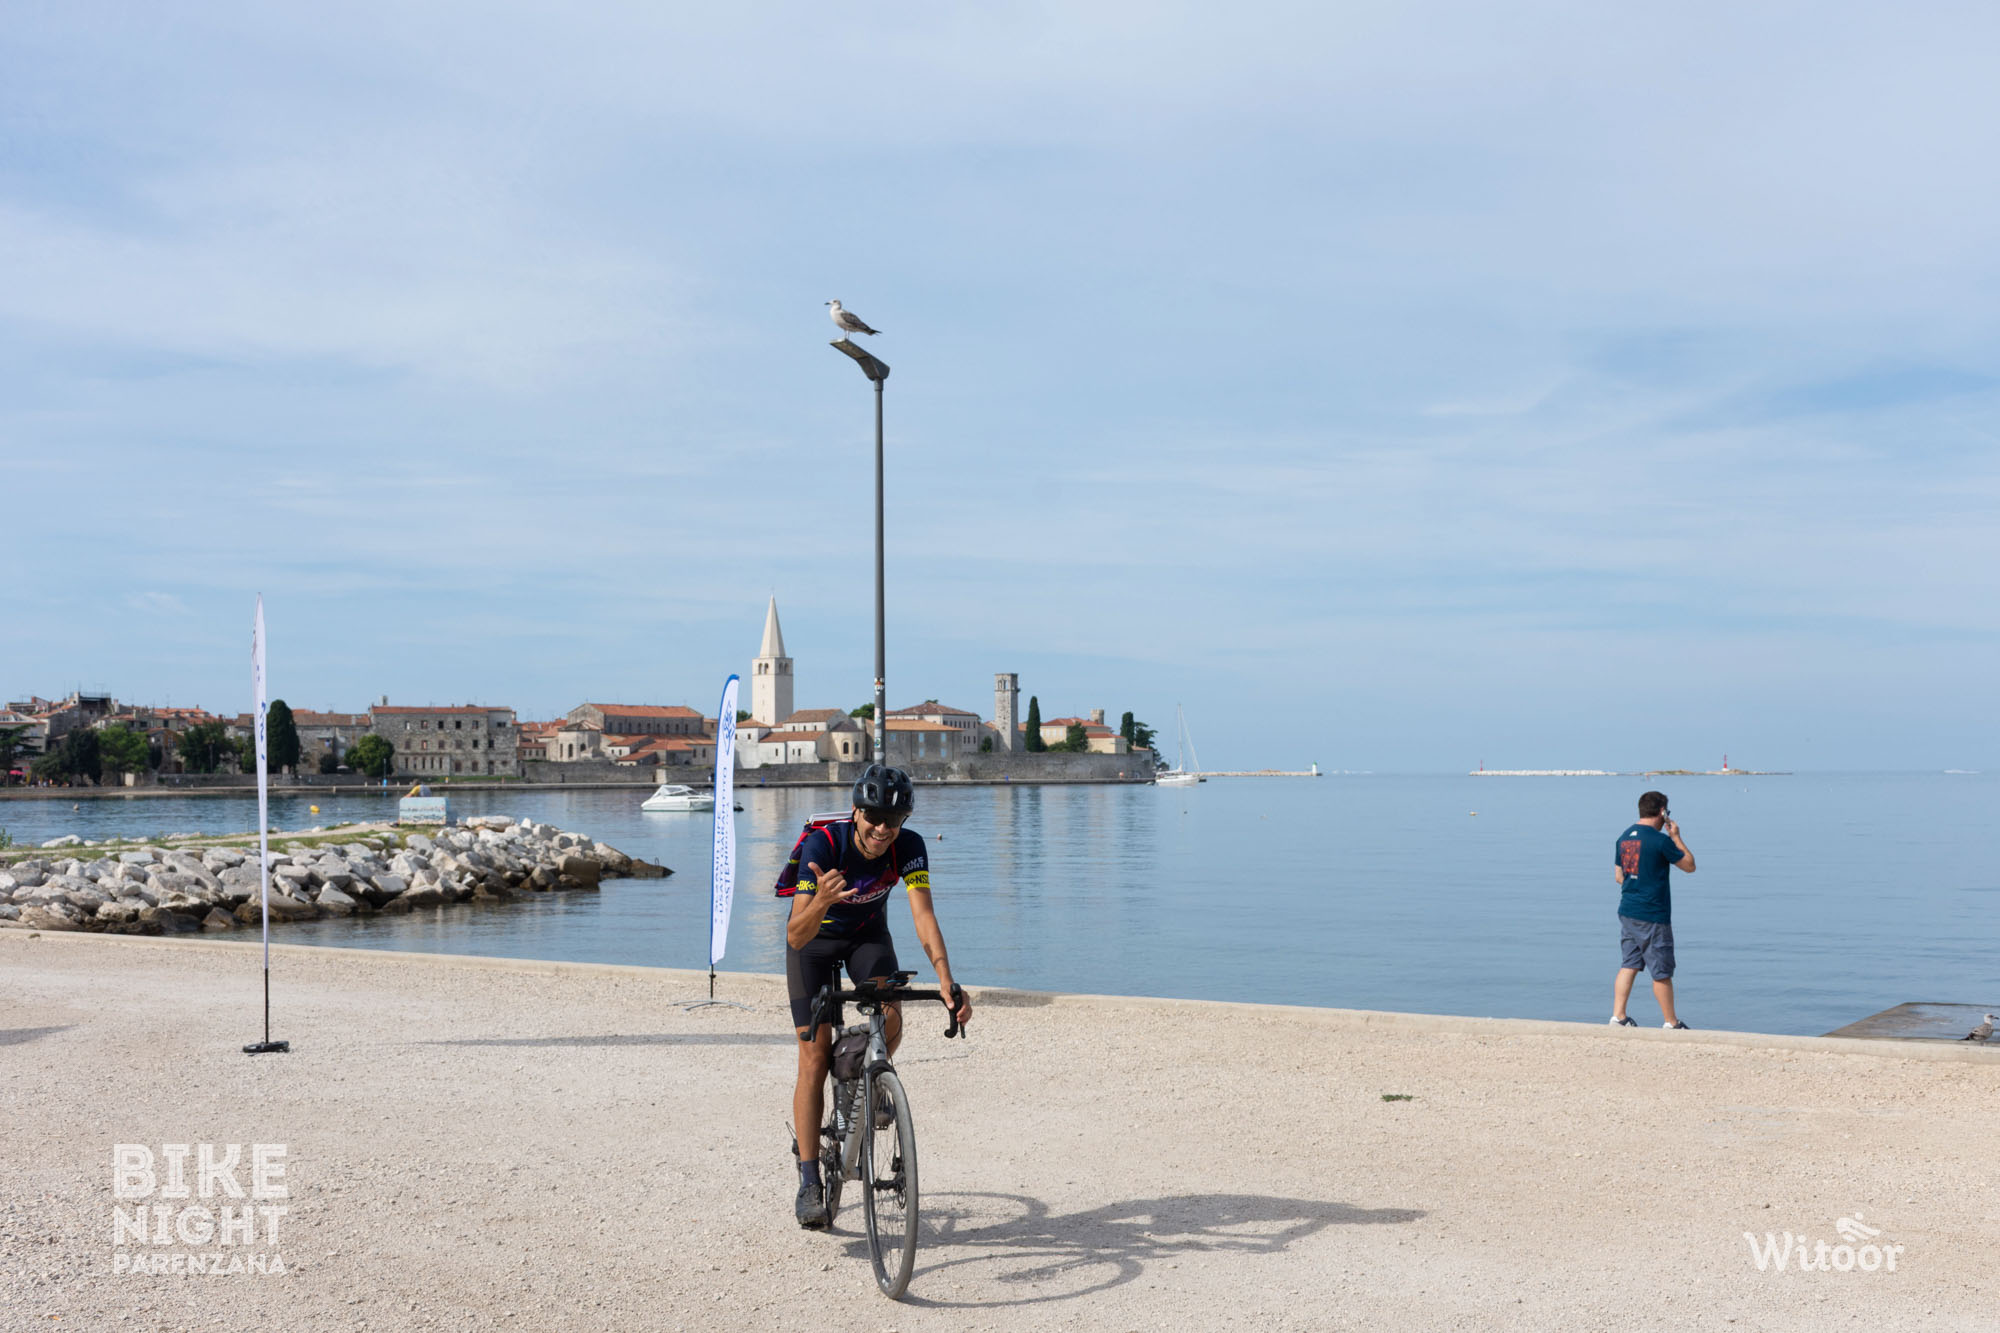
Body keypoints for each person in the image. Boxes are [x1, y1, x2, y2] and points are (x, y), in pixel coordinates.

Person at [780, 763, 972, 1228]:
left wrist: (947, 980)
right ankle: (809, 1179)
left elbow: (923, 916)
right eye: (874, 818)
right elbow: (796, 935)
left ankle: (867, 1081)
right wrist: (822, 900)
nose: (883, 829)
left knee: (891, 1015)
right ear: (856, 813)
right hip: (813, 944)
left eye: (894, 819)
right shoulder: (824, 845)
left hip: (867, 938)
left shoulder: (910, 847)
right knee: (813, 1055)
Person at [1611, 790, 1697, 1029]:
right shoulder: (1660, 841)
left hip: (1628, 911)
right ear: (1662, 812)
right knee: (1661, 971)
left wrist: (1637, 883)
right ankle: (1671, 1022)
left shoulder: (1623, 838)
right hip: (1653, 915)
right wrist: (1676, 836)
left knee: (1629, 964)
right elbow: (1689, 866)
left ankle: (1618, 1016)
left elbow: (1619, 876)